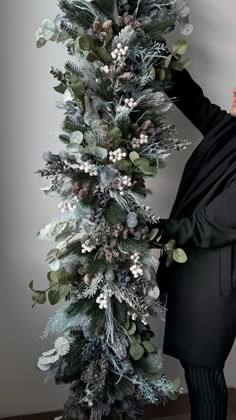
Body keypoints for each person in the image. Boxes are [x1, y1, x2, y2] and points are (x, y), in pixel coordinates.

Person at [152, 60, 236, 420]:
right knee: (196, 370)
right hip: (196, 274)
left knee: (203, 374)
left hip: (214, 283)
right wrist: (156, 56)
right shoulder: (229, 132)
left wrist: (148, 229)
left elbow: (207, 225)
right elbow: (191, 99)